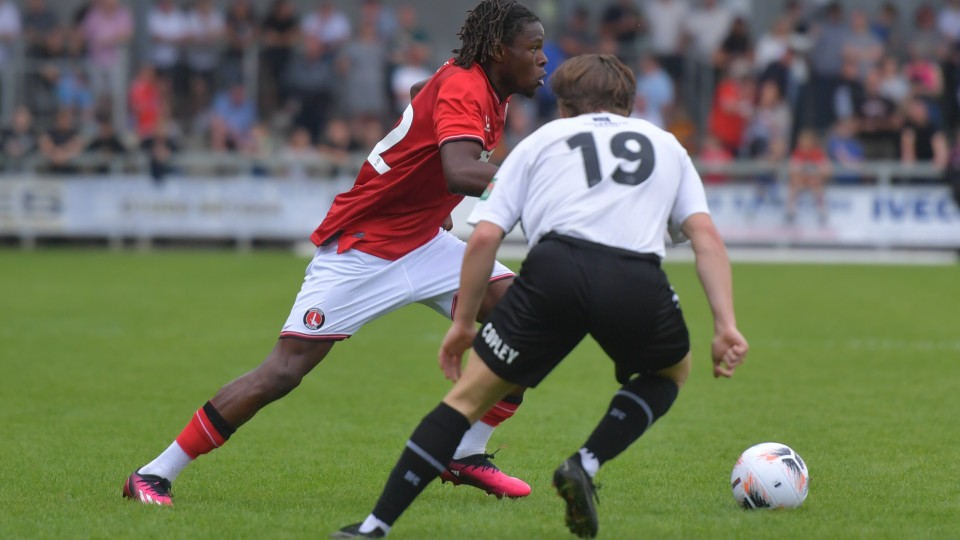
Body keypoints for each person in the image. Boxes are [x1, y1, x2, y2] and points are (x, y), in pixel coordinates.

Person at [122, 0, 547, 507]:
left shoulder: (475, 86)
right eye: (535, 48)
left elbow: (421, 99)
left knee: (530, 317)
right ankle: (153, 474)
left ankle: (465, 454)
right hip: (363, 247)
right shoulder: (465, 85)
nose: (544, 59)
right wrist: (536, 180)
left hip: (424, 244)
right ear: (500, 50)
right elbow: (458, 168)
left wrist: (427, 191)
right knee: (283, 371)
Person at [333, 53, 748, 539]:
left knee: (465, 399)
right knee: (670, 372)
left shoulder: (542, 141)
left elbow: (484, 238)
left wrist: (464, 323)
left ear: (565, 106)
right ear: (628, 105)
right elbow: (705, 237)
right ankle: (586, 462)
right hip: (634, 277)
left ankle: (374, 527)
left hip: (554, 273)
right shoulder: (665, 145)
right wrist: (726, 324)